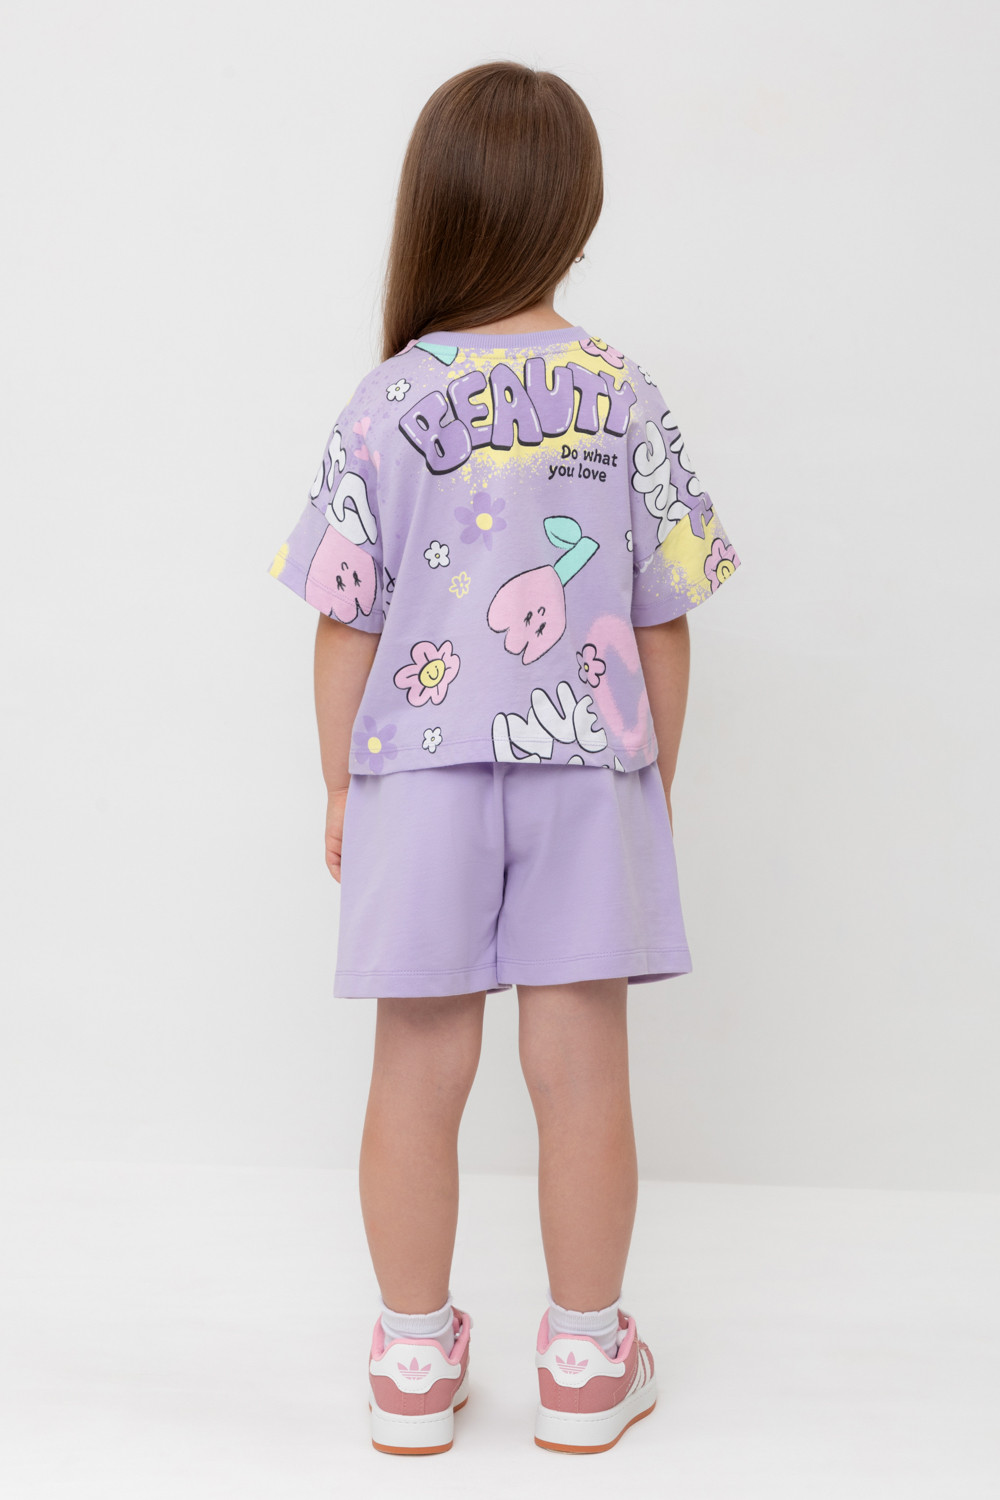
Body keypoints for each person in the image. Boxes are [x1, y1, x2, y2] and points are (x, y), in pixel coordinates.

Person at [267, 60, 741, 1457]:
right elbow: (665, 619)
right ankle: (587, 1362)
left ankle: (413, 1364)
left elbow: (345, 620)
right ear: (575, 211)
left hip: (415, 774)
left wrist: (339, 781)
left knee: (417, 1067)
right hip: (588, 767)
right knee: (581, 1069)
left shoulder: (384, 401)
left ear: (436, 204)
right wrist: (654, 783)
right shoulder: (622, 392)